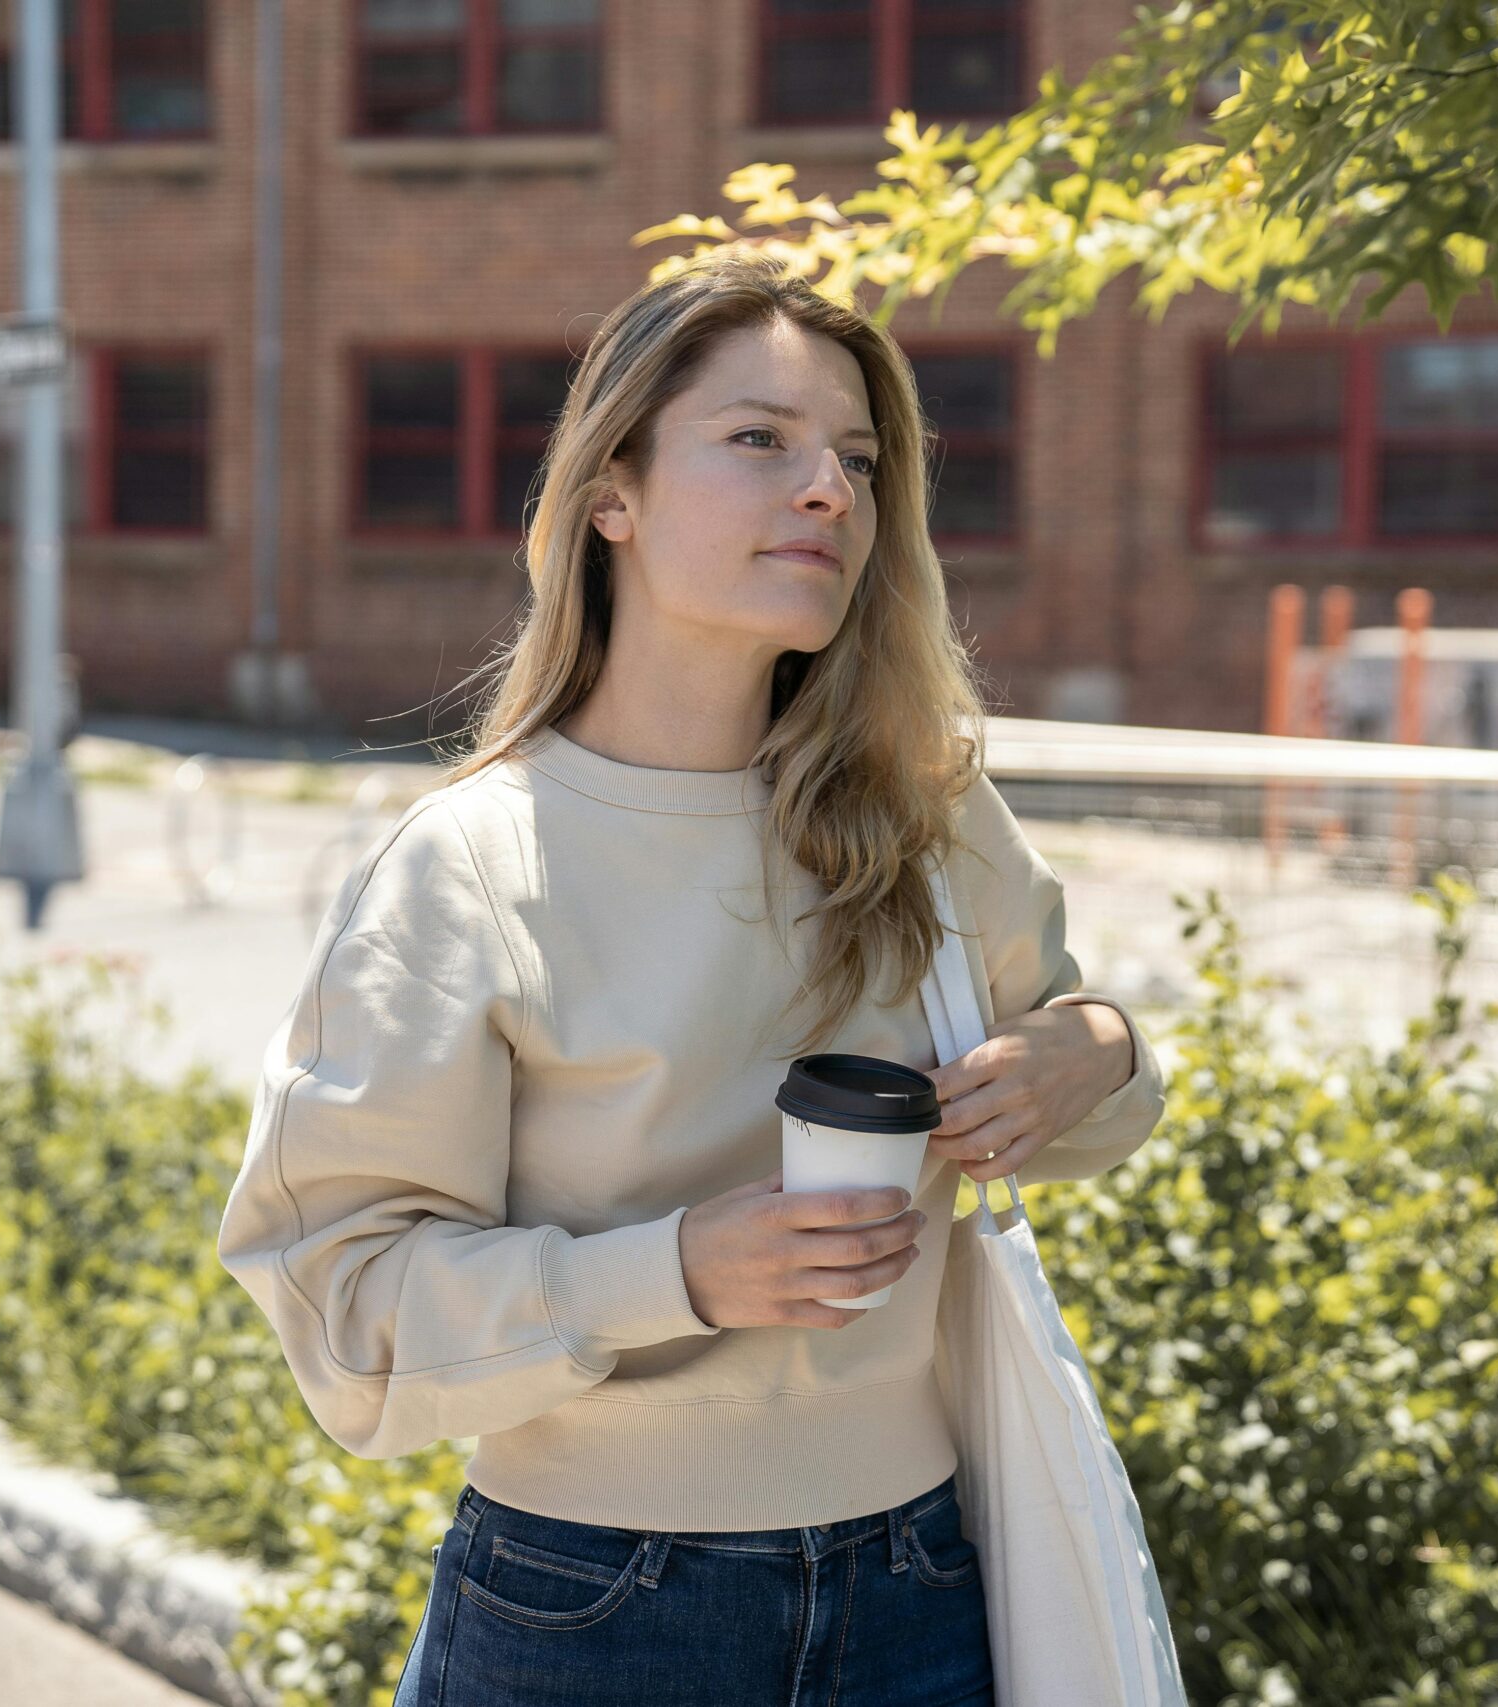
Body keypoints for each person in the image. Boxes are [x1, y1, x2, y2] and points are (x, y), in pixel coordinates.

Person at [213, 249, 1167, 1706]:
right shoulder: (474, 862)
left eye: (855, 459)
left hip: (920, 1593)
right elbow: (348, 1305)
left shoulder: (922, 808)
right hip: (589, 1614)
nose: (832, 492)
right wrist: (675, 1274)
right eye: (760, 442)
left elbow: (1087, 1078)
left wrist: (1087, 1050)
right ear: (612, 497)